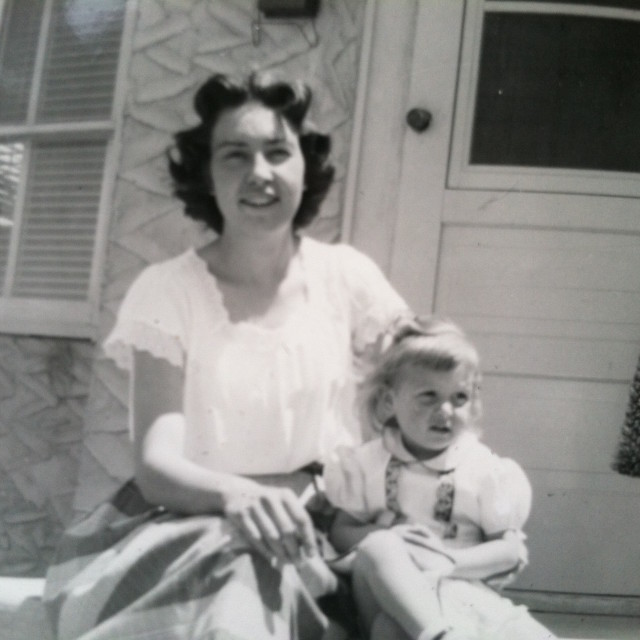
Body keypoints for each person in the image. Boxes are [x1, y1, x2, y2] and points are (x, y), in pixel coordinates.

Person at [42, 71, 408, 640]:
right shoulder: (168, 291)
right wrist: (240, 495)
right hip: (195, 519)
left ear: (304, 168)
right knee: (238, 583)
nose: (259, 173)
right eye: (235, 155)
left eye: (278, 152)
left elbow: (420, 390)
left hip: (320, 523)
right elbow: (157, 467)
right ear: (206, 176)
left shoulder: (350, 278)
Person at [323, 317, 557, 640]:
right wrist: (394, 537)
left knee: (392, 632)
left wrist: (447, 561)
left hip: (457, 590)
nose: (445, 410)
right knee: (379, 548)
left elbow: (509, 550)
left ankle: (438, 632)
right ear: (390, 401)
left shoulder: (482, 470)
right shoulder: (367, 463)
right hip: (384, 592)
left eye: (459, 397)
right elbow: (341, 530)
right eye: (428, 396)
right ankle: (438, 635)